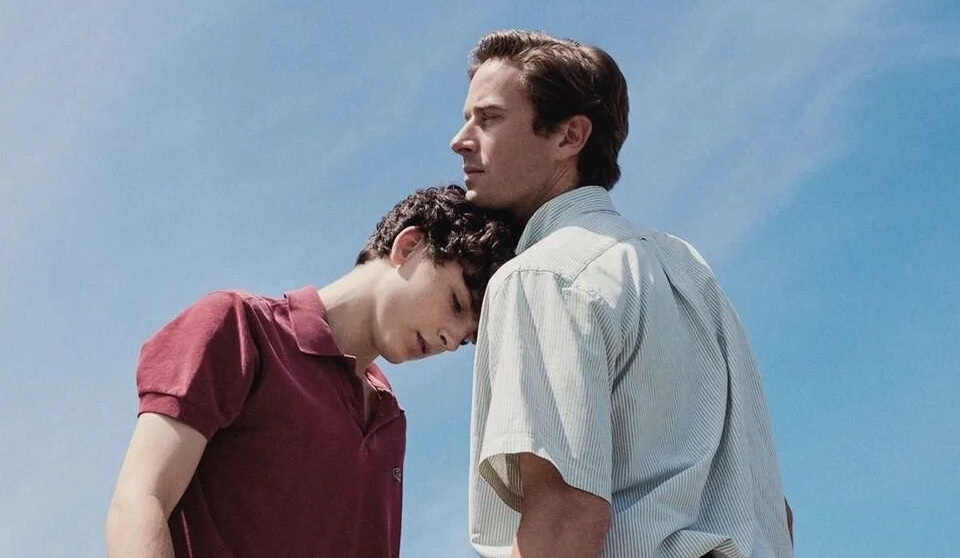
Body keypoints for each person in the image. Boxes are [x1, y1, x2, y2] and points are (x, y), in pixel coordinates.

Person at [450, 30, 794, 557]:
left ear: (569, 137)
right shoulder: (689, 270)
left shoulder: (542, 275)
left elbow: (564, 513)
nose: (461, 139)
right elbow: (774, 510)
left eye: (489, 118)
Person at [105, 185, 518, 558]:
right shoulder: (240, 328)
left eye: (466, 339)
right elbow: (139, 501)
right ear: (408, 247)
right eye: (456, 304)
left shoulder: (389, 421)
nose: (451, 339)